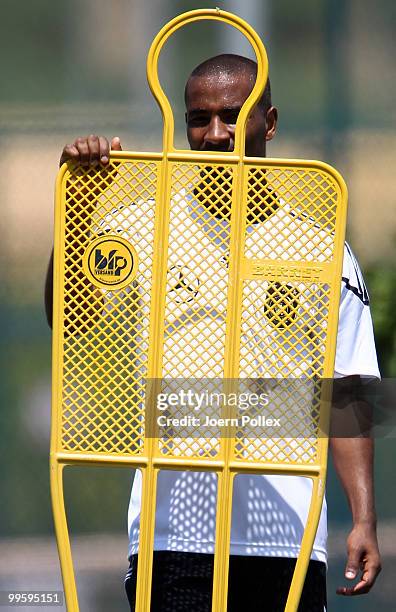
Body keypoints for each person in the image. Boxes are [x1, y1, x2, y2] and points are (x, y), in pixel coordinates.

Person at [45, 54, 382, 611]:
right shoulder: (142, 227)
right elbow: (67, 317)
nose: (215, 134)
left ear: (269, 123)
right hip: (172, 535)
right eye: (199, 119)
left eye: (233, 116)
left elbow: (347, 392)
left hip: (287, 540)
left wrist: (365, 519)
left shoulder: (322, 249)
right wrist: (79, 207)